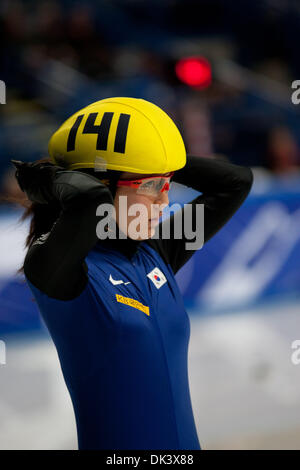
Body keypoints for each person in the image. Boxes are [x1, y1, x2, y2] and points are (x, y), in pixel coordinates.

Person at [13, 97, 253, 450]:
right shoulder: (59, 272)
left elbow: (235, 182)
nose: (165, 203)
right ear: (102, 186)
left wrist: (155, 162)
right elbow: (89, 202)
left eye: (168, 185)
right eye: (151, 187)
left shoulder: (156, 255)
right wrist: (61, 178)